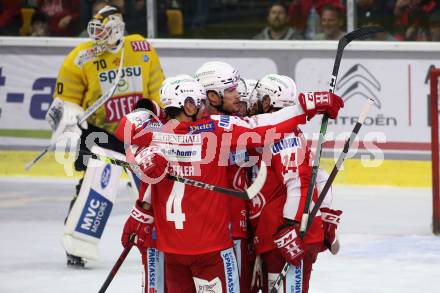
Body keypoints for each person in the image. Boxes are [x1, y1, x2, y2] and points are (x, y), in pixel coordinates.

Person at [121, 67, 343, 292]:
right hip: (215, 239)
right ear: (206, 97)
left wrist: (141, 151)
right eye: (231, 89)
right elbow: (262, 127)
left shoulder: (159, 134)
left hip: (219, 236)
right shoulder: (214, 128)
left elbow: (128, 128)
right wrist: (305, 108)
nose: (239, 95)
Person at [45, 5, 164, 267]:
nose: (97, 35)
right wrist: (69, 120)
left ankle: (163, 239)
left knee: (153, 187)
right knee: (94, 186)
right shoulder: (81, 56)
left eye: (103, 30)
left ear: (117, 28)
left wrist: (161, 124)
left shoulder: (141, 48)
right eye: (95, 30)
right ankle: (78, 244)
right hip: (99, 133)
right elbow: (63, 101)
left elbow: (157, 91)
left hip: (138, 130)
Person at [248, 74, 342, 293]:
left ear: (267, 102)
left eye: (259, 97)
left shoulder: (283, 137)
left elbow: (300, 183)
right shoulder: (289, 132)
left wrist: (290, 229)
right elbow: (320, 176)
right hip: (289, 234)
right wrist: (326, 217)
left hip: (285, 237)